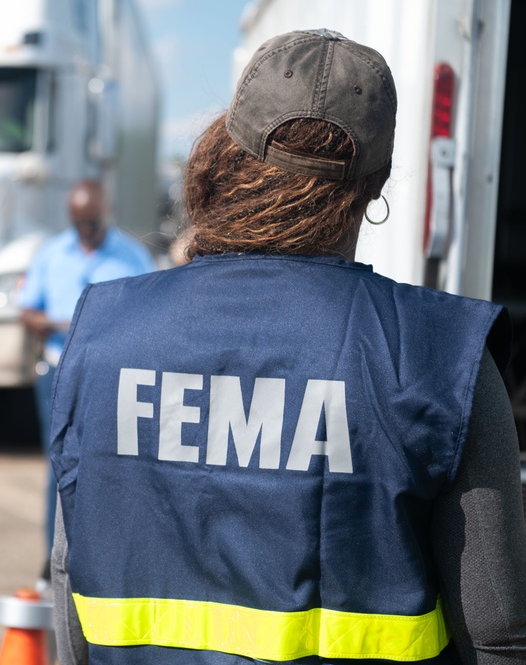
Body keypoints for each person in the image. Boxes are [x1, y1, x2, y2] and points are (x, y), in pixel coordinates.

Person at [49, 29, 526, 665]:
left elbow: (69, 585)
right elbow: (497, 633)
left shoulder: (104, 332)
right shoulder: (442, 354)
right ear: (378, 181)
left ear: (230, 150)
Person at [19, 179, 156, 583]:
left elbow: (150, 310)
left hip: (109, 376)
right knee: (60, 467)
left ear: (105, 215)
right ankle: (54, 561)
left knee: (110, 468)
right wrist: (60, 323)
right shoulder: (50, 254)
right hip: (60, 370)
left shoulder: (132, 256)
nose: (86, 232)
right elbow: (27, 311)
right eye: (79, 224)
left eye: (92, 224)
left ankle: (104, 562)